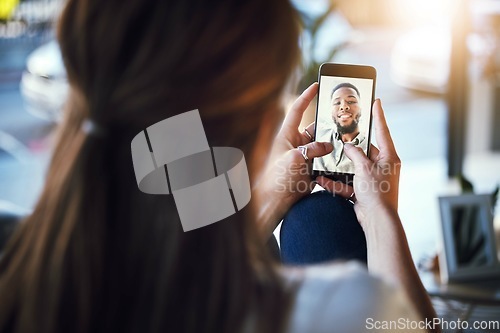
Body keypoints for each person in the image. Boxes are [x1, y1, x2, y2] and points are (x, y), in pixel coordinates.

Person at [0, 0, 438, 333]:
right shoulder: (334, 307)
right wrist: (382, 220)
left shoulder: (26, 271)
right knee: (321, 216)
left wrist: (267, 198)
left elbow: (180, 258)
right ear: (266, 124)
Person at [314, 82, 368, 174]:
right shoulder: (318, 137)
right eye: (337, 103)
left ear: (361, 109)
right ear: (331, 111)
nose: (343, 107)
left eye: (351, 102)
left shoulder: (369, 151)